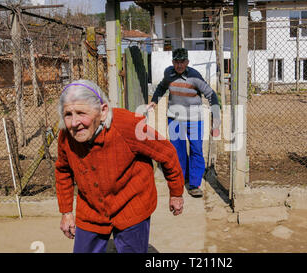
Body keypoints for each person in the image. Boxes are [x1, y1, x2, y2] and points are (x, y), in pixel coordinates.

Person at [55, 79, 185, 253]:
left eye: (81, 113)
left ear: (102, 111)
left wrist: (176, 193)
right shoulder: (66, 136)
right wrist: (66, 212)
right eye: (68, 114)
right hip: (91, 208)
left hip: (131, 204)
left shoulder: (127, 126)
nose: (74, 122)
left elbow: (167, 153)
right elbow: (63, 170)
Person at [147, 48, 221, 198]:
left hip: (194, 119)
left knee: (196, 150)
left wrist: (216, 118)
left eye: (182, 62)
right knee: (178, 151)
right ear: (173, 62)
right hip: (174, 118)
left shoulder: (195, 77)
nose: (179, 65)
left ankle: (194, 184)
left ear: (187, 62)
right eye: (176, 62)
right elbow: (162, 87)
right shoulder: (169, 73)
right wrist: (154, 100)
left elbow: (211, 94)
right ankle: (182, 176)